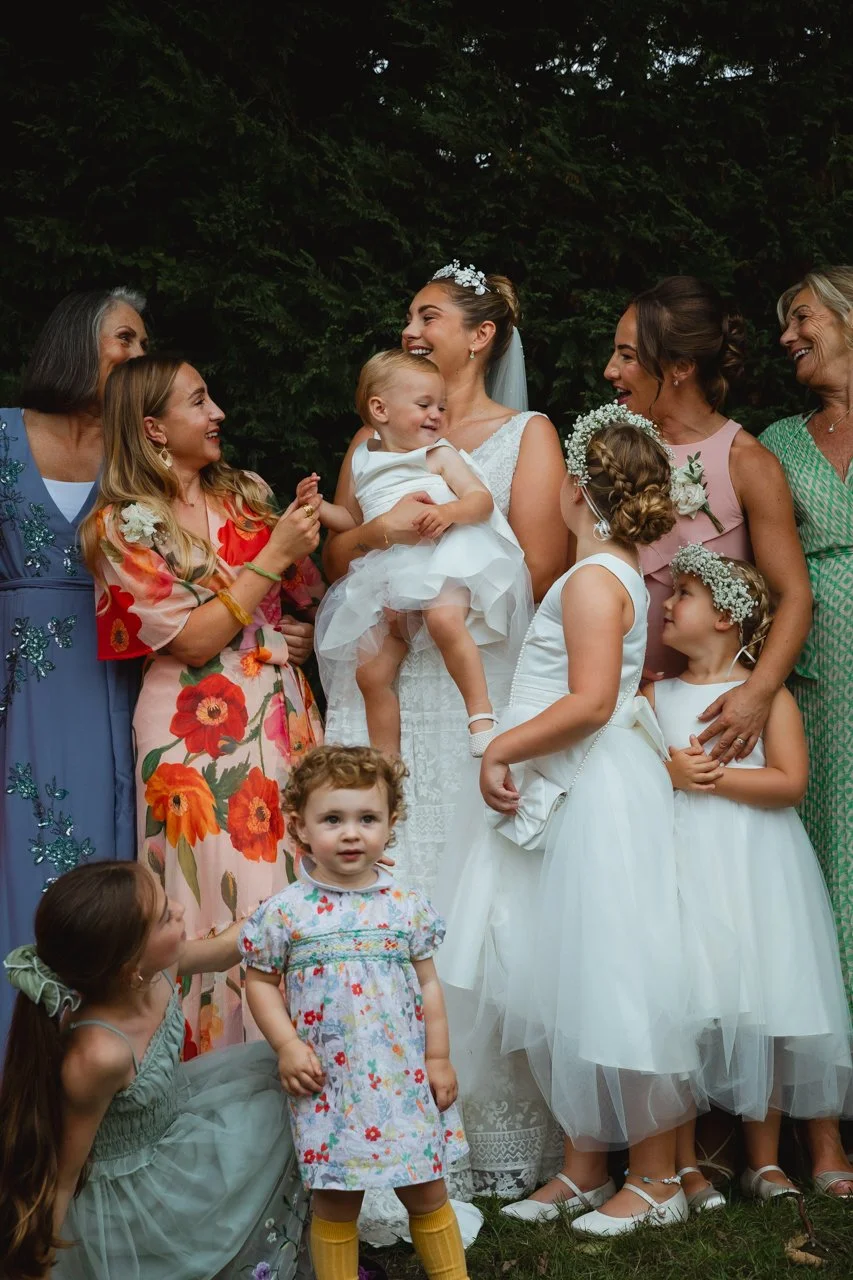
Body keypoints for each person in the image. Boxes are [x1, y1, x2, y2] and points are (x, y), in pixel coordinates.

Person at [323, 263, 566, 1206]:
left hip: (472, 670)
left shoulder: (524, 437)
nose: (412, 327)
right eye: (408, 316)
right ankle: (374, 1127)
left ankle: (482, 1129)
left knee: (475, 891)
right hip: (384, 672)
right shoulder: (375, 430)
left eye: (428, 314)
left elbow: (542, 570)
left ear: (482, 336)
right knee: (381, 869)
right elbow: (339, 552)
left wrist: (448, 570)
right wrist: (386, 538)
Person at [441, 406, 704, 1237]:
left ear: (580, 490)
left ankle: (656, 1178)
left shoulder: (594, 581)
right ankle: (584, 1164)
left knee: (618, 975)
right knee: (564, 974)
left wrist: (499, 748)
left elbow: (592, 702)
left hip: (592, 788)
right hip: (567, 784)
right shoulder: (606, 572)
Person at [79, 354, 324, 1051]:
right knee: (207, 898)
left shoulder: (248, 492)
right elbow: (190, 639)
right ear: (153, 427)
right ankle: (213, 1093)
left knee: (293, 881)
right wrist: (270, 559)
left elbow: (306, 592)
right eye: (198, 401)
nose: (217, 413)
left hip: (280, 715)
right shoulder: (117, 527)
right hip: (192, 737)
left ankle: (306, 1073)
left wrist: (299, 629)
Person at [647, 545, 853, 1208]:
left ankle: (762, 1161)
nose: (666, 604)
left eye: (682, 593)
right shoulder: (653, 695)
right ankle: (682, 1162)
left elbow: (788, 782)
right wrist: (667, 778)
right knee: (683, 1004)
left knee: (761, 1004)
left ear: (726, 620)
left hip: (753, 866)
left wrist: (710, 780)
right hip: (682, 865)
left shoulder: (765, 700)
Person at [0, 861, 305, 1280]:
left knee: (289, 1089)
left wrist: (315, 889)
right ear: (130, 968)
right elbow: (63, 1176)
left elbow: (227, 949)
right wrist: (38, 1266)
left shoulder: (156, 970)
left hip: (179, 1124)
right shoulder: (99, 1054)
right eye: (165, 916)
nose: (181, 909)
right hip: (134, 1196)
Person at [241, 745, 471, 1280]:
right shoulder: (285, 913)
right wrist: (287, 1044)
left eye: (367, 819)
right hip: (330, 1084)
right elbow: (260, 982)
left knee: (426, 1187)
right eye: (333, 819)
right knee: (336, 1199)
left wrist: (438, 1057)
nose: (351, 833)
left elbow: (428, 986)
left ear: (391, 825)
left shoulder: (404, 906)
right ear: (300, 827)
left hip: (401, 1077)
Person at [0, 287, 148, 1049]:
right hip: (17, 672)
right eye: (123, 338)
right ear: (76, 342)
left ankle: (91, 1065)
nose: (135, 355)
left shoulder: (141, 454)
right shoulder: (0, 437)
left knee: (104, 847)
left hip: (115, 670)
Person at [604, 275, 812, 764]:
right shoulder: (612, 455)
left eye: (628, 355)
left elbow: (795, 595)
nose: (611, 369)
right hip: (614, 706)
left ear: (680, 366)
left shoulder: (747, 462)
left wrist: (756, 695)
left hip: (704, 719)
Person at [307, 350, 529, 758]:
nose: (437, 415)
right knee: (371, 673)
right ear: (381, 409)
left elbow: (480, 501)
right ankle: (386, 762)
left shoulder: (438, 455)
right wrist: (320, 509)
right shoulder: (363, 458)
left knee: (444, 620)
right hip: (390, 573)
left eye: (441, 406)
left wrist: (447, 512)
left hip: (441, 559)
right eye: (424, 405)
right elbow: (351, 518)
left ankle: (480, 715)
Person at [762, 266, 853, 1192]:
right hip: (817, 683)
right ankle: (820, 1137)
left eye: (802, 318)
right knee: (820, 894)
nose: (790, 336)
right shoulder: (779, 441)